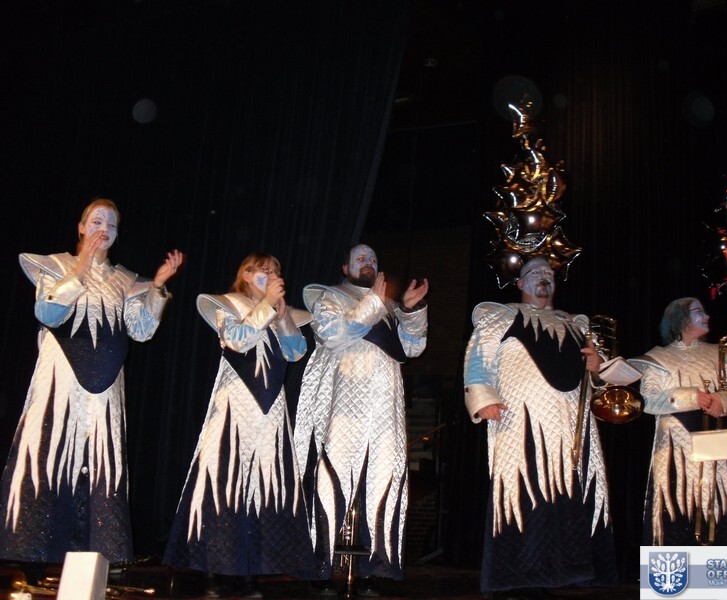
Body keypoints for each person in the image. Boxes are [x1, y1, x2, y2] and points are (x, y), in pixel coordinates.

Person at [0, 198, 184, 567]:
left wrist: (157, 287)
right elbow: (48, 311)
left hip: (106, 385)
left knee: (101, 460)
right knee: (50, 449)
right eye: (97, 221)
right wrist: (81, 265)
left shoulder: (124, 280)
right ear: (82, 227)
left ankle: (97, 556)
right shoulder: (57, 266)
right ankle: (32, 555)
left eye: (111, 224)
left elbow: (141, 331)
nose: (104, 228)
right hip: (61, 377)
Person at [463, 256, 618, 598]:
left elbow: (598, 381)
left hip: (572, 422)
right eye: (535, 273)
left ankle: (569, 573)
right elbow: (478, 358)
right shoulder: (500, 316)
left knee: (571, 495)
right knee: (524, 491)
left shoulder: (576, 324)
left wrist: (598, 367)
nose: (544, 277)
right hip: (521, 417)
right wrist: (482, 396)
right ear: (520, 283)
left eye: (549, 273)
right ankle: (519, 576)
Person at [162, 253, 315, 598]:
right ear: (245, 275)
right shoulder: (228, 305)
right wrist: (265, 307)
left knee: (261, 488)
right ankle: (211, 571)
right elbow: (237, 340)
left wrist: (282, 315)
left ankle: (249, 573)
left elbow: (296, 352)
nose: (271, 276)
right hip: (234, 407)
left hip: (270, 412)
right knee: (221, 485)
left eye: (275, 271)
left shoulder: (280, 311)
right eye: (264, 271)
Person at [294, 243, 428, 595]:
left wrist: (410, 311)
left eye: (373, 259)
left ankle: (375, 568)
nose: (368, 263)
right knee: (331, 480)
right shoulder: (330, 298)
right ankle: (320, 568)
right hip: (344, 403)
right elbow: (332, 334)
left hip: (385, 405)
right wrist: (373, 304)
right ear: (345, 267)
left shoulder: (389, 306)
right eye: (360, 259)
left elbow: (412, 347)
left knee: (383, 480)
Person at [629, 297, 727, 546]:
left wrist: (721, 400)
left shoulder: (720, 354)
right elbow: (648, 400)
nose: (707, 316)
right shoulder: (657, 358)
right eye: (699, 312)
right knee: (678, 506)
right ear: (681, 319)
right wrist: (693, 397)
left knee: (722, 503)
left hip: (717, 442)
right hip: (677, 444)